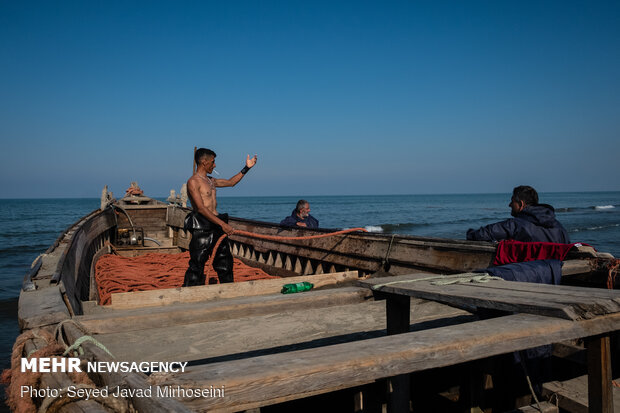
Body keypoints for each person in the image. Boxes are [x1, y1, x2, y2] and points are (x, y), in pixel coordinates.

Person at [182, 148, 257, 286]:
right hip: (202, 226)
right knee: (197, 264)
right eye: (213, 161)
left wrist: (247, 168)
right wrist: (223, 224)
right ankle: (188, 294)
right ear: (204, 162)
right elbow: (200, 208)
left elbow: (231, 182)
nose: (214, 165)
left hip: (217, 225)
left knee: (225, 262)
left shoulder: (211, 181)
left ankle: (228, 291)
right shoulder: (193, 181)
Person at [466, 185, 569, 243]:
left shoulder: (516, 225)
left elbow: (483, 234)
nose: (509, 205)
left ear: (521, 204)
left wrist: (470, 233)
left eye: (512, 201)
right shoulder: (559, 227)